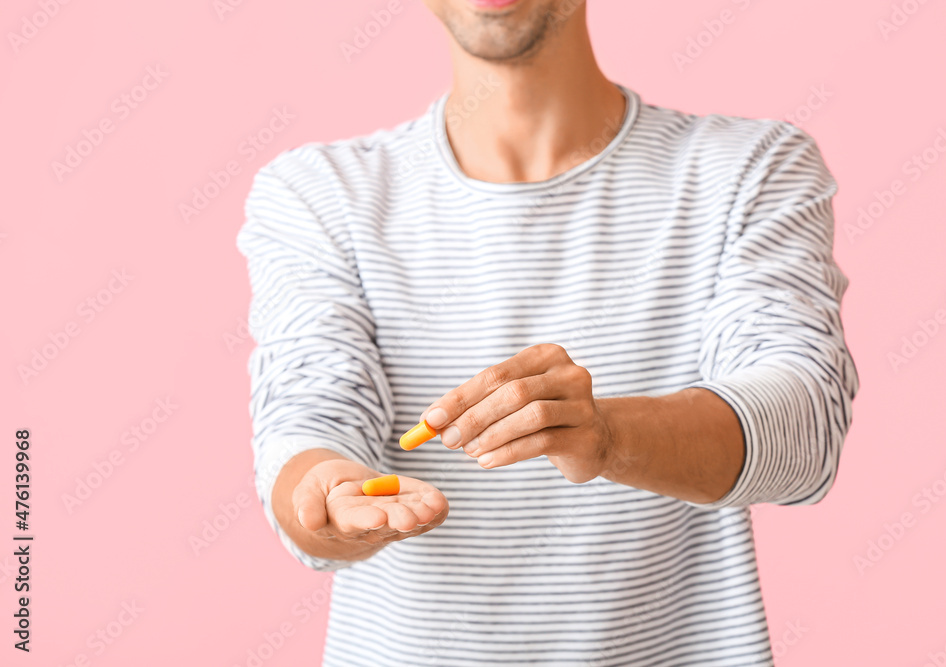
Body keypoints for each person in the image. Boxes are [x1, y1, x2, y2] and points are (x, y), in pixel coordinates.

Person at [236, 0, 859, 664]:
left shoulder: (752, 169)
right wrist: (326, 494)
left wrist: (609, 435)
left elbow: (804, 431)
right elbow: (307, 423)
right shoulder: (316, 195)